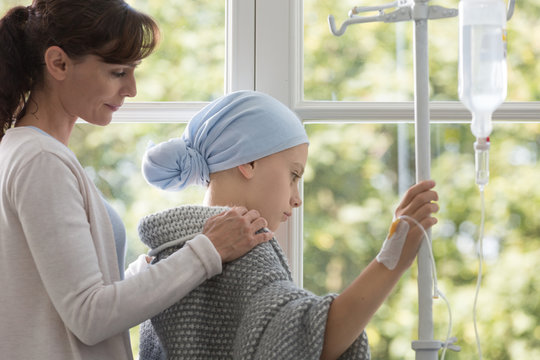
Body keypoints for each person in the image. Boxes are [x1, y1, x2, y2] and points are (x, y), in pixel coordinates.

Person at [0, 2, 273, 359]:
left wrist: (144, 274)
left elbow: (56, 306)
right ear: (58, 63)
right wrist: (208, 250)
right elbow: (89, 317)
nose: (131, 89)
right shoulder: (41, 160)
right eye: (117, 73)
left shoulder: (26, 151)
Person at [137, 90, 439, 359]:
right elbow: (312, 339)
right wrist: (393, 257)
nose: (297, 199)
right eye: (293, 175)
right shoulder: (245, 249)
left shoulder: (168, 256)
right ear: (249, 161)